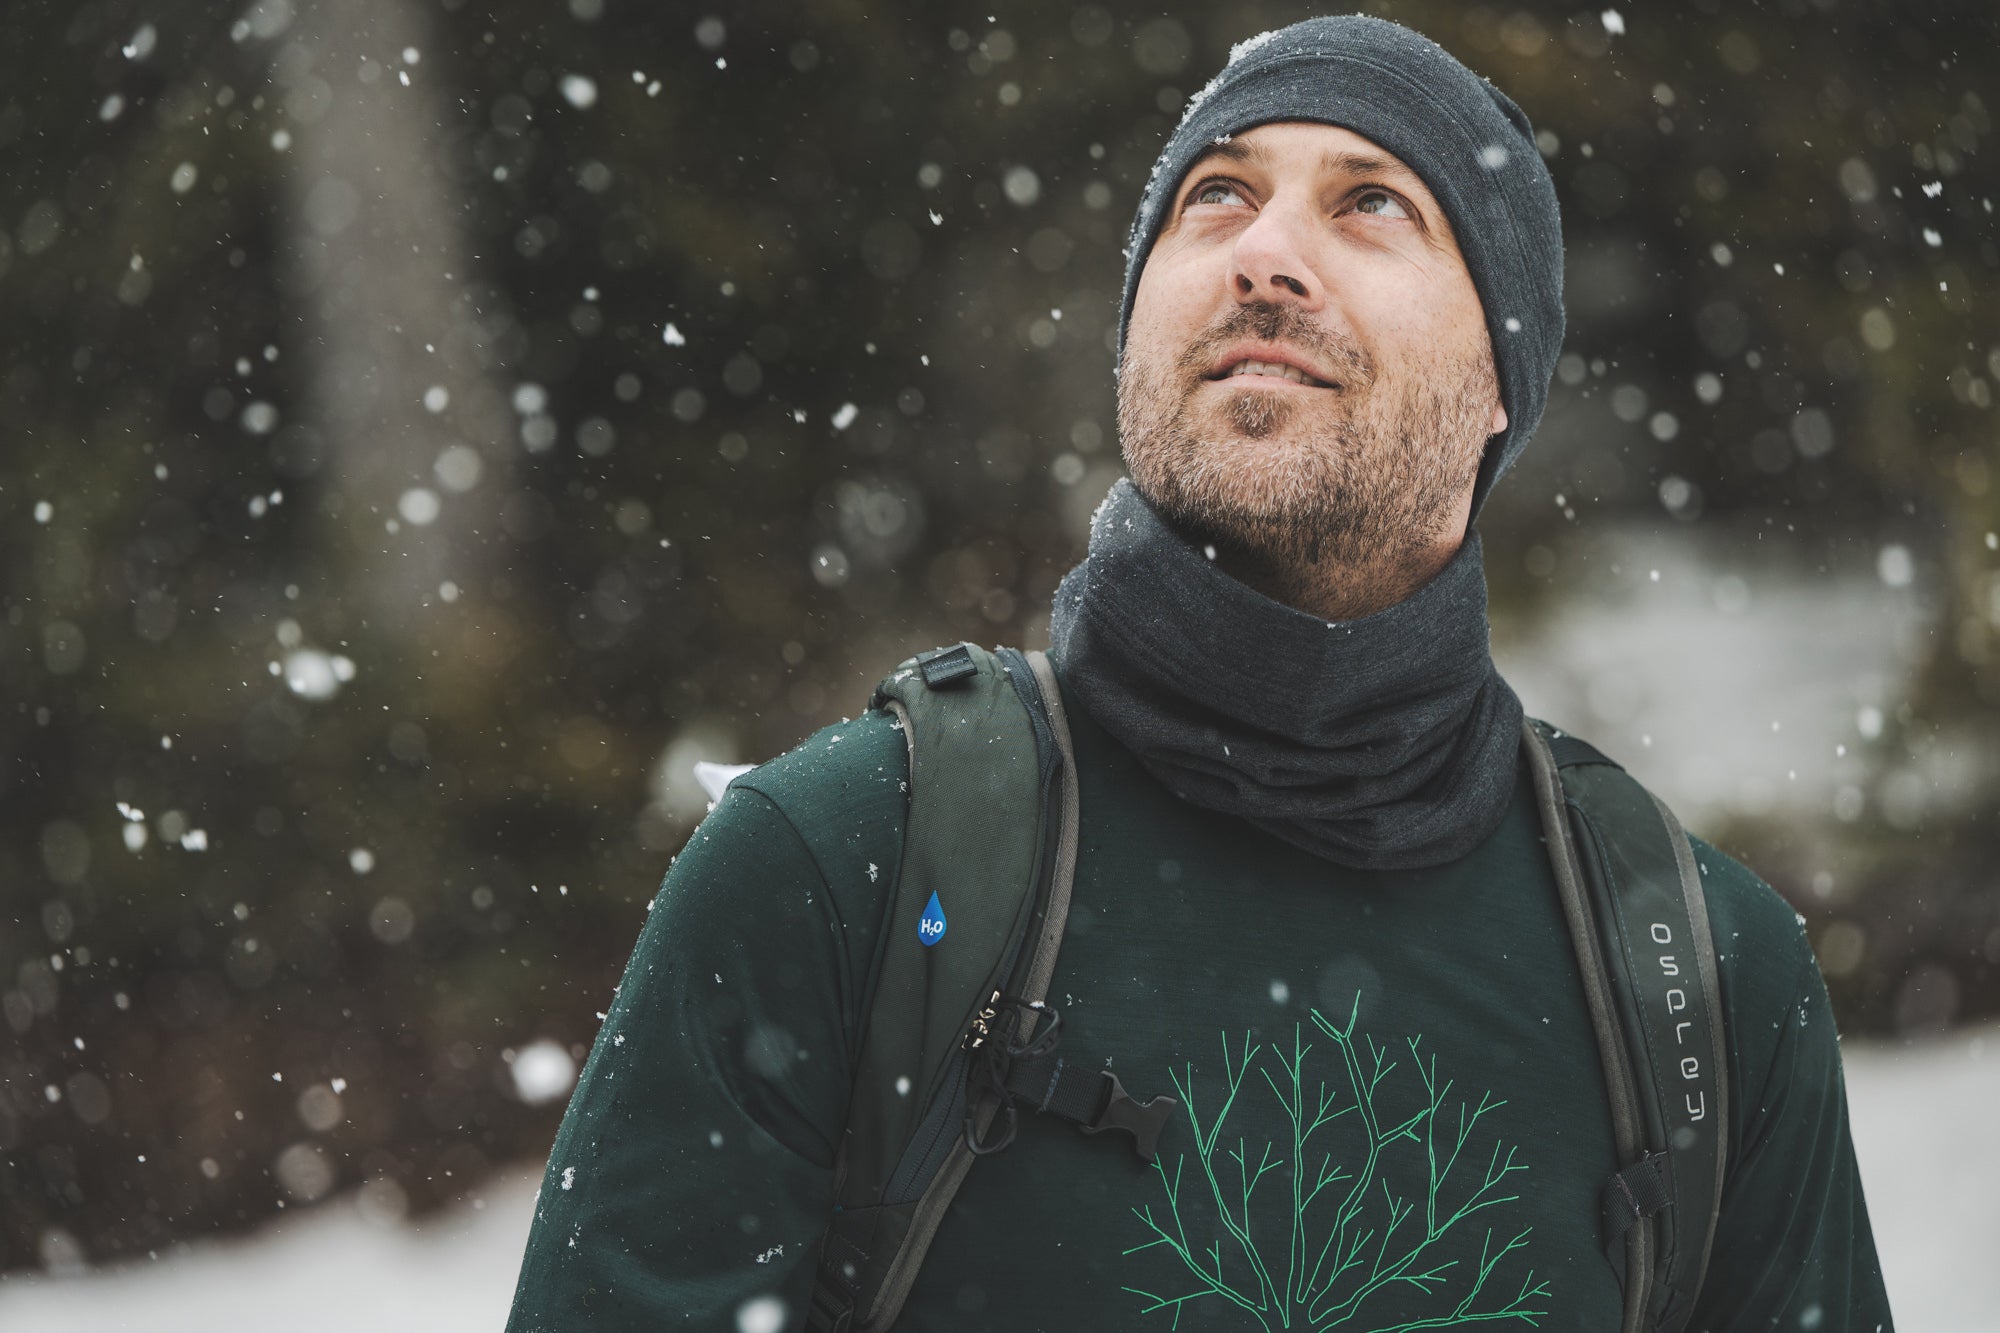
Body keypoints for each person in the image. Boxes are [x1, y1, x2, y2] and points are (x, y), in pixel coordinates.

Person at [506, 15, 1892, 1331]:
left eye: (1373, 204)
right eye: (1215, 197)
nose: (1266, 255)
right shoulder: (841, 863)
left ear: (1498, 386)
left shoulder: (1705, 984)